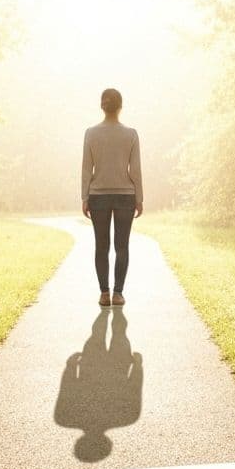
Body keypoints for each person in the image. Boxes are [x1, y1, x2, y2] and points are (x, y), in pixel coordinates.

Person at [81, 87, 143, 306]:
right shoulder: (131, 134)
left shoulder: (90, 133)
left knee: (101, 246)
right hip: (126, 195)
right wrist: (140, 198)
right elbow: (135, 170)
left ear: (102, 106)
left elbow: (87, 169)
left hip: (98, 196)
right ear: (121, 106)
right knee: (122, 246)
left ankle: (103, 294)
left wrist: (84, 197)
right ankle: (118, 293)